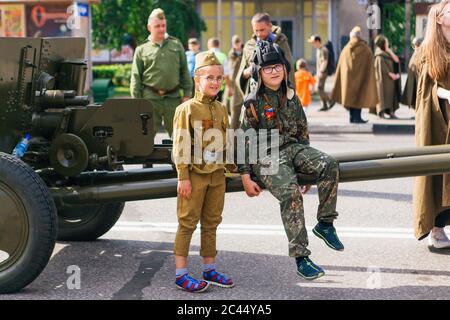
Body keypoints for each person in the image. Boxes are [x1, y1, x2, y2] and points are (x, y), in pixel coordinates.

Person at [238, 41, 343, 280]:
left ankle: (325, 224)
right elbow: (244, 140)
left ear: (285, 69)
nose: (274, 71)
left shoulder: (291, 97)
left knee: (329, 163)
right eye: (267, 68)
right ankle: (301, 257)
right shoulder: (253, 103)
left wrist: (308, 167)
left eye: (277, 66)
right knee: (290, 194)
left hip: (292, 148)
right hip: (265, 155)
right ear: (258, 73)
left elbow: (303, 133)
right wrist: (245, 176)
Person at [172, 51, 235, 292]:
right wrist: (183, 176)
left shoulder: (221, 108)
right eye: (209, 77)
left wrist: (234, 168)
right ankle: (181, 274)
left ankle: (209, 270)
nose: (215, 82)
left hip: (217, 175)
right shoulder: (186, 109)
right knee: (187, 222)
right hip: (194, 175)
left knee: (211, 222)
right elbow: (180, 145)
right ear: (197, 79)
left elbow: (226, 141)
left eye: (219, 78)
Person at [414, 0, 450, 249]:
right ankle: (437, 231)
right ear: (439, 18)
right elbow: (425, 90)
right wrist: (448, 95)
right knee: (438, 174)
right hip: (438, 121)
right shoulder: (428, 49)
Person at [130, 8, 192, 137]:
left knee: (179, 136)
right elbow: (135, 77)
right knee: (145, 136)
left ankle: (178, 158)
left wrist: (187, 95)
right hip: (150, 99)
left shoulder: (176, 44)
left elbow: (184, 71)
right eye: (157, 26)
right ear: (149, 27)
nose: (161, 29)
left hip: (173, 99)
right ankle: (145, 158)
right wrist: (137, 102)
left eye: (163, 25)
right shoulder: (141, 49)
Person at [235, 12, 294, 115]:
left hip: (277, 95)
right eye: (256, 30)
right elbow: (242, 73)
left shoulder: (280, 42)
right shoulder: (250, 45)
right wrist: (248, 72)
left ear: (270, 26)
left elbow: (288, 68)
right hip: (256, 96)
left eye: (262, 30)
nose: (259, 34)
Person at [331, 26, 378, 124]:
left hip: (348, 81)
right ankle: (357, 118)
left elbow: (341, 66)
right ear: (359, 36)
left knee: (350, 98)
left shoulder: (346, 49)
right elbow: (370, 63)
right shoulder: (365, 49)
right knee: (359, 97)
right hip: (362, 78)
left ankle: (352, 117)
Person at [373, 35, 401, 119]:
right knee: (382, 95)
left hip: (390, 80)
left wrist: (389, 50)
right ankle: (381, 112)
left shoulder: (387, 52)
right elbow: (381, 68)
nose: (388, 43)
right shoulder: (379, 55)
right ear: (383, 43)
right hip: (383, 80)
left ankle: (390, 111)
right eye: (386, 42)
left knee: (390, 96)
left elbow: (396, 60)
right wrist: (391, 75)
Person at [307, 35, 335, 111]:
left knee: (319, 88)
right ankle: (324, 105)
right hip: (320, 72)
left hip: (323, 72)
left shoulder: (323, 49)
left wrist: (321, 71)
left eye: (313, 42)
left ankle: (330, 101)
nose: (312, 44)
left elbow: (325, 61)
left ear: (318, 41)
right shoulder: (319, 49)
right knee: (320, 88)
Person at [207, 38, 233, 102]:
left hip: (206, 86)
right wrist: (230, 88)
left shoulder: (205, 55)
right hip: (218, 87)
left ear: (209, 45)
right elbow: (226, 75)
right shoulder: (223, 56)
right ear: (218, 45)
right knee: (217, 106)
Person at [226, 35, 244, 129]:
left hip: (243, 82)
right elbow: (229, 70)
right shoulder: (231, 54)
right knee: (233, 108)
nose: (237, 44)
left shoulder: (245, 52)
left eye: (238, 42)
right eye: (235, 43)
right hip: (233, 84)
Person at [401, 37, 423, 109]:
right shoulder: (415, 53)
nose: (414, 47)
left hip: (420, 81)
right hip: (413, 81)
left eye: (416, 45)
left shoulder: (423, 54)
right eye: (413, 45)